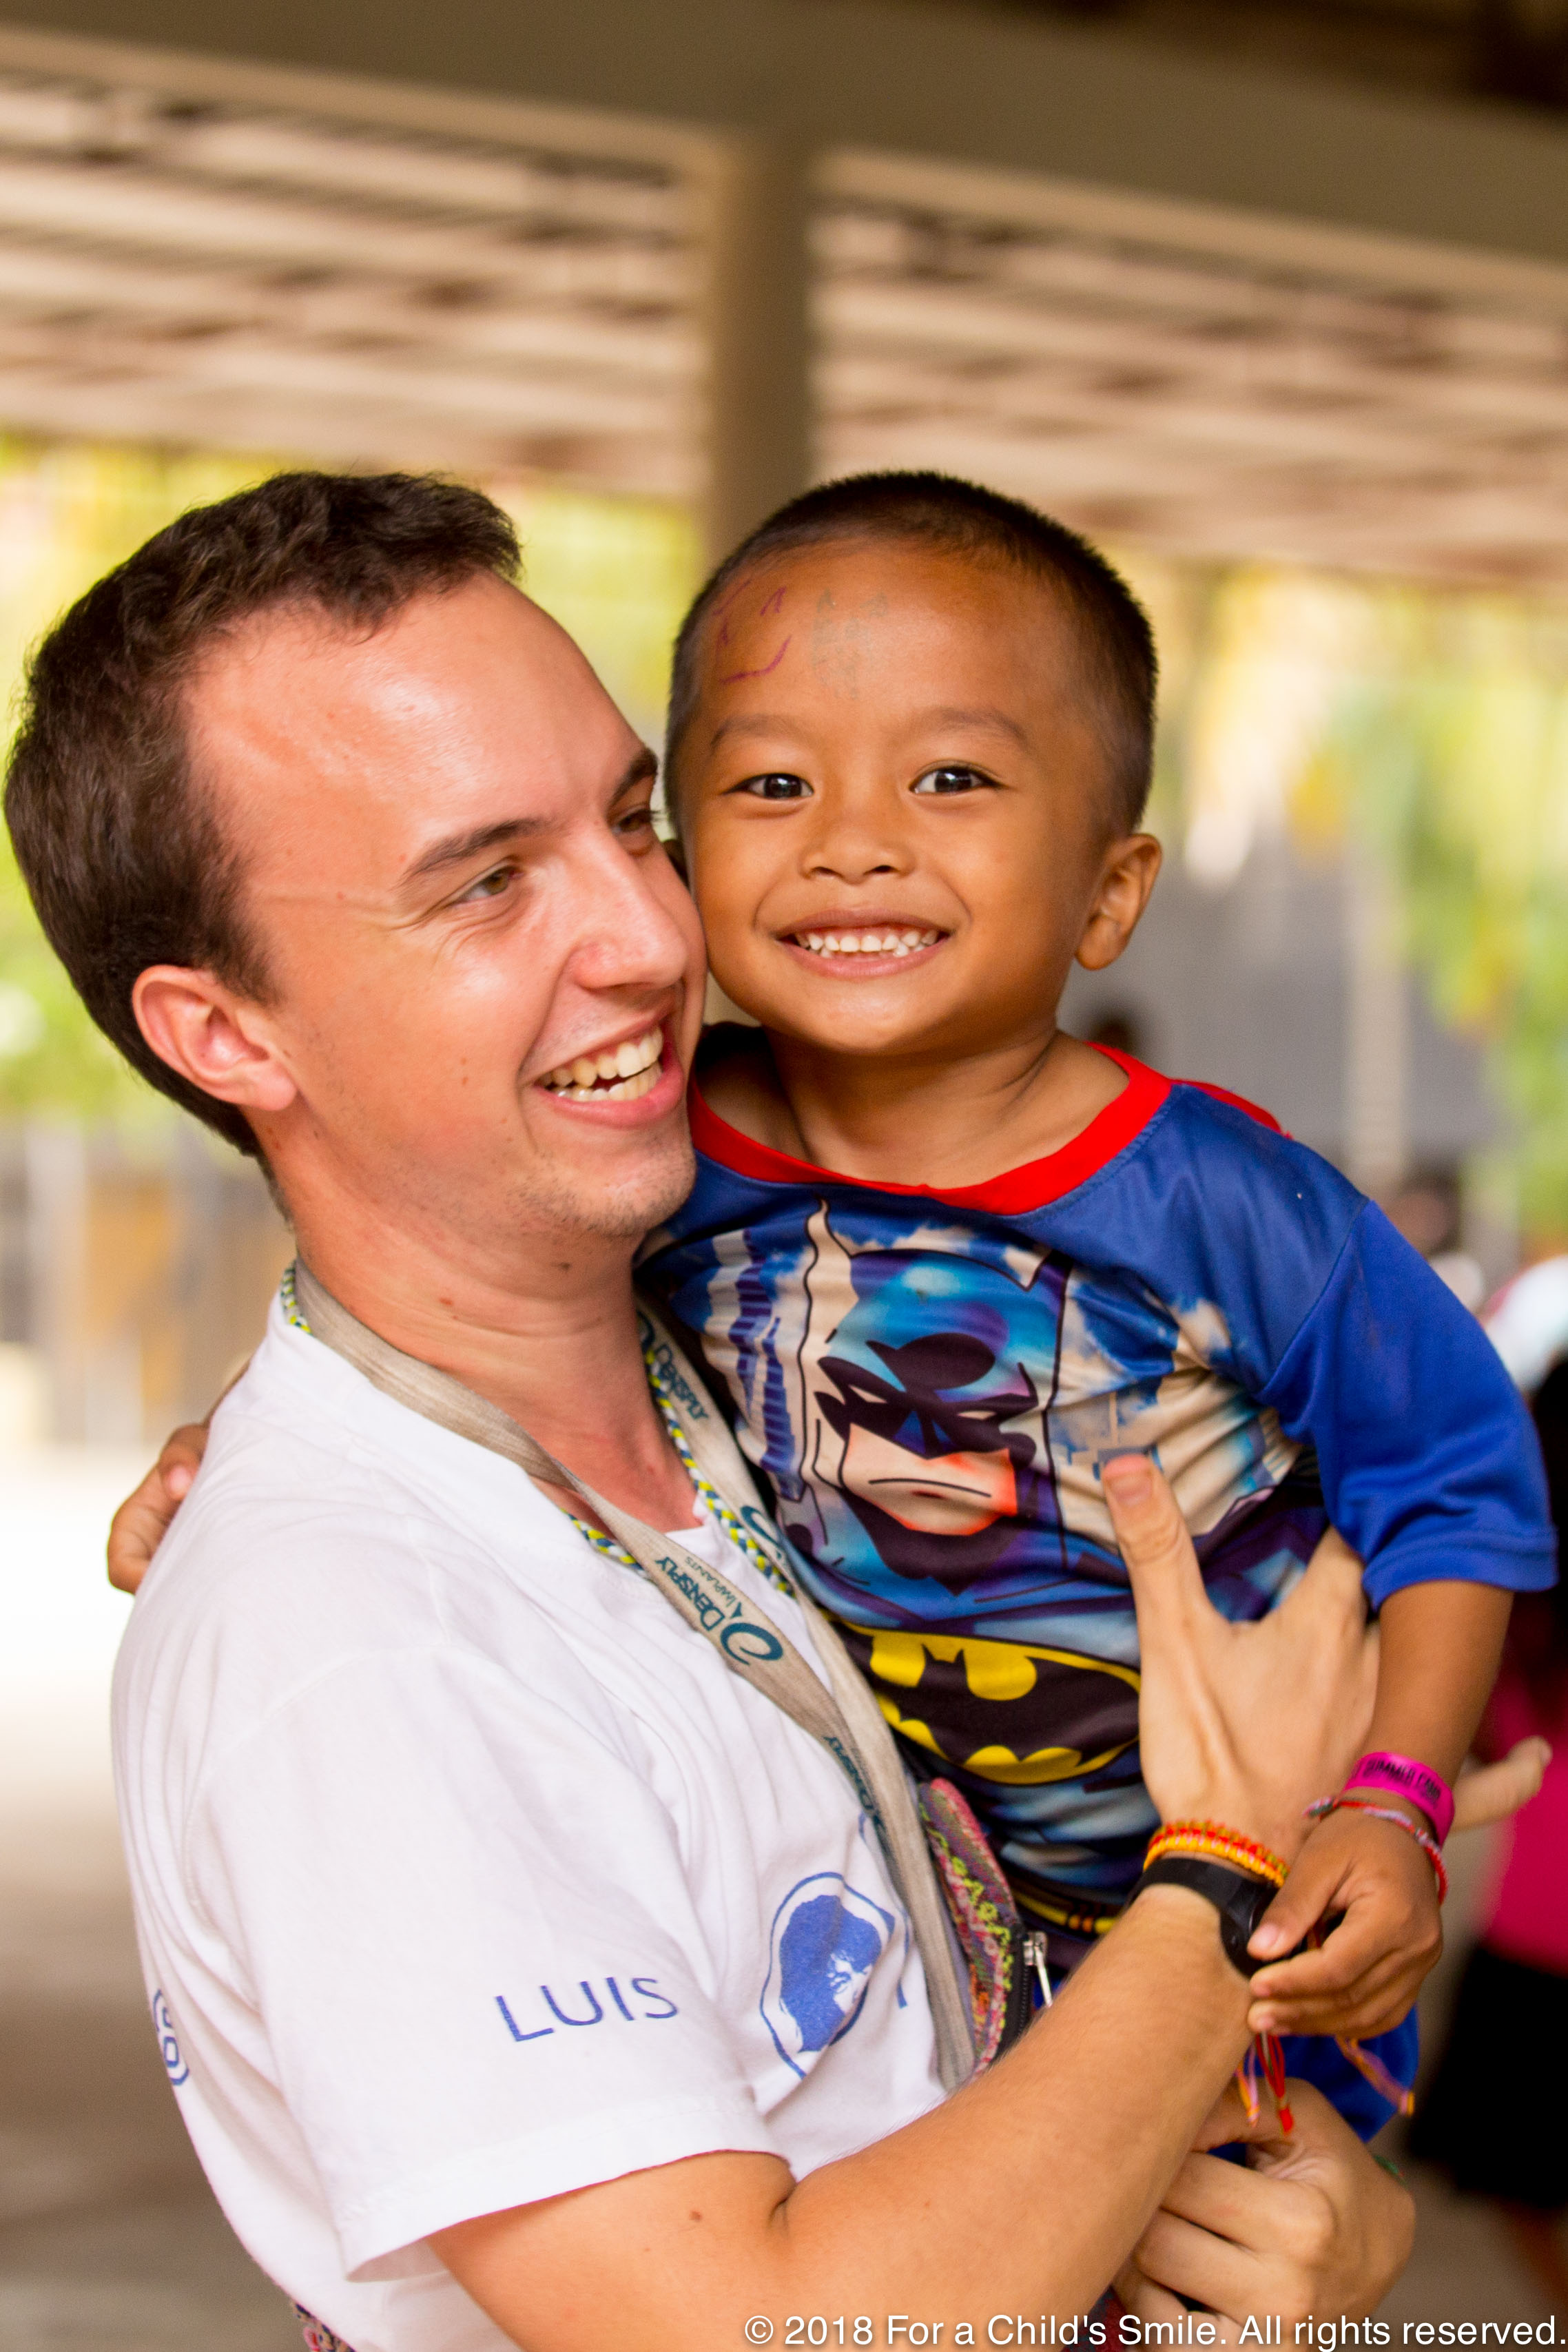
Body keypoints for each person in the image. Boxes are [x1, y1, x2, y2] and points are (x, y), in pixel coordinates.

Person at [8, 471, 1414, 2352]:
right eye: (488, 880)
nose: (656, 942)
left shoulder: (733, 1363)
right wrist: (1214, 1863)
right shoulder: (349, 1641)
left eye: (630, 821)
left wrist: (1282, 2197)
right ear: (225, 1035)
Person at [631, 471, 1553, 2128]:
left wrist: (1396, 1803)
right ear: (679, 855)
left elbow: (1456, 1489)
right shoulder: (638, 1163)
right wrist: (245, 1459)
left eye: (952, 776)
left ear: (1107, 890)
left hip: (1243, 1949)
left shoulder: (1223, 1204)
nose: (851, 839)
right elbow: (457, 1349)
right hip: (869, 1957)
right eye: (773, 780)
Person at [1412, 1356, 1568, 2311]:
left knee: (1521, 2183)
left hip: (1538, 1947)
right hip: (1531, 1949)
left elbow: (1487, 1736)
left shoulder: (1520, 1603)